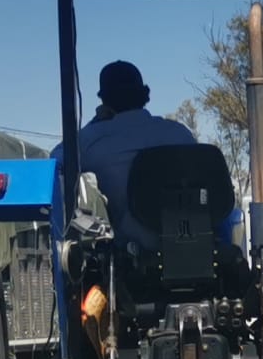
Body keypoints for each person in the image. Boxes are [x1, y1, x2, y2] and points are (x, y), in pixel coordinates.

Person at [51, 60, 195, 247]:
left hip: (132, 255)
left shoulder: (93, 139)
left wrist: (97, 121)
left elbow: (55, 160)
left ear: (104, 100)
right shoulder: (179, 133)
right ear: (144, 94)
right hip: (192, 240)